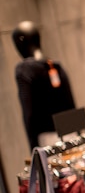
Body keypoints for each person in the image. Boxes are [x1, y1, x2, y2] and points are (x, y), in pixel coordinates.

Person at [12, 21, 76, 149]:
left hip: (47, 139)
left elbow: (28, 112)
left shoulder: (25, 70)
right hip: (71, 133)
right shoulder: (55, 66)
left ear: (21, 41)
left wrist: (33, 146)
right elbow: (71, 102)